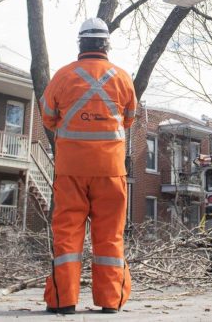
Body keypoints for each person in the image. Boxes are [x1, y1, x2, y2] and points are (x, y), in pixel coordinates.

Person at [41, 17, 137, 314]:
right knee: (110, 235)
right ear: (106, 44)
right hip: (110, 170)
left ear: (80, 44)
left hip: (71, 170)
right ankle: (111, 301)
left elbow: (47, 116)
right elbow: (130, 118)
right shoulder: (122, 78)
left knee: (67, 234)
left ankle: (63, 301)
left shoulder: (62, 76)